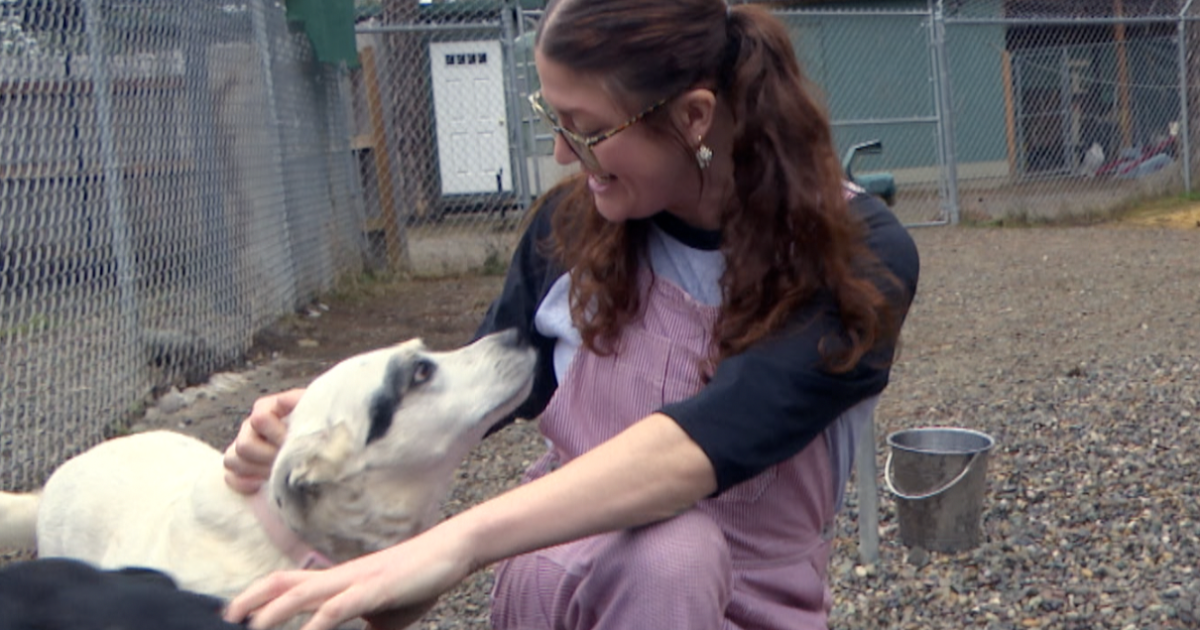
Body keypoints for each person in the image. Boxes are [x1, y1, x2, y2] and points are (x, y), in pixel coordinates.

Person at [222, 1, 920, 629]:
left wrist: (458, 543)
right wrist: (320, 425)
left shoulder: (855, 257)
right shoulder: (570, 231)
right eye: (552, 119)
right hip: (556, 589)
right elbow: (471, 396)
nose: (561, 153)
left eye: (587, 129)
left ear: (694, 116)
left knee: (672, 552)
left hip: (740, 602)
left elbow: (699, 446)